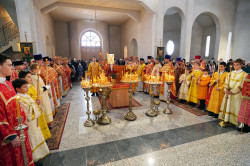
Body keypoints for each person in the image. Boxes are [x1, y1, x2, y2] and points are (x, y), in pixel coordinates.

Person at [0, 54, 34, 166]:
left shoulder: (8, 84)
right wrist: (11, 135)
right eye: (9, 65)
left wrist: (23, 121)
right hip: (9, 136)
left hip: (19, 128)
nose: (12, 68)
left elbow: (17, 106)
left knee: (23, 156)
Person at [12, 79, 50, 162]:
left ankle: (41, 153)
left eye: (27, 86)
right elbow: (26, 112)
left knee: (37, 136)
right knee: (32, 139)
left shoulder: (25, 95)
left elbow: (32, 105)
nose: (27, 88)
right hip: (29, 122)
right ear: (17, 89)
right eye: (24, 87)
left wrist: (35, 103)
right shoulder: (18, 99)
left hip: (34, 121)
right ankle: (35, 157)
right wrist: (34, 105)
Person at [18, 71, 51, 138]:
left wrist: (39, 99)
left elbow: (36, 94)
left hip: (37, 108)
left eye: (31, 76)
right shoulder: (24, 90)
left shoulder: (31, 86)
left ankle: (44, 137)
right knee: (37, 127)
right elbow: (27, 100)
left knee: (41, 123)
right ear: (23, 79)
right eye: (29, 77)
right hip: (33, 111)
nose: (31, 78)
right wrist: (35, 101)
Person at [219, 59, 248, 127]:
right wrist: (226, 89)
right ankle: (226, 119)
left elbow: (242, 85)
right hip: (228, 94)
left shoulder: (244, 74)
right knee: (227, 106)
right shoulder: (230, 73)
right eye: (234, 65)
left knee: (236, 107)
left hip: (237, 95)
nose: (235, 66)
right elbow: (226, 82)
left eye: (237, 65)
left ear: (241, 65)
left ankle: (236, 122)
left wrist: (232, 91)